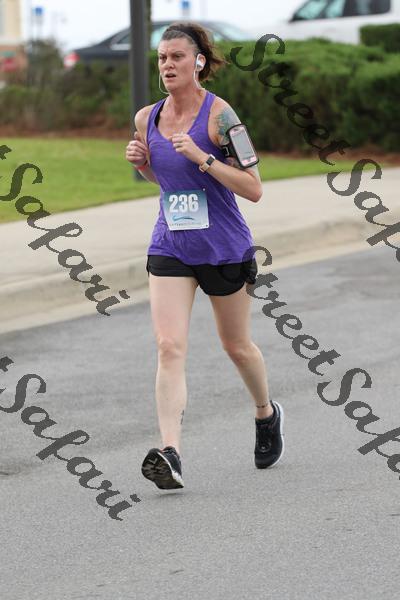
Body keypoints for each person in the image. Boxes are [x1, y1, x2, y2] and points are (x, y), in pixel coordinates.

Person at [125, 21, 284, 491]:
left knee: (236, 346)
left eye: (177, 57)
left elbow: (253, 189)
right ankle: (170, 452)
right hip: (171, 245)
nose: (167, 65)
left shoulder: (221, 118)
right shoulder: (147, 118)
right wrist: (144, 164)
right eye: (162, 58)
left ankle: (265, 413)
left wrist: (204, 157)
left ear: (198, 62)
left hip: (223, 247)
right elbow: (168, 182)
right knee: (169, 346)